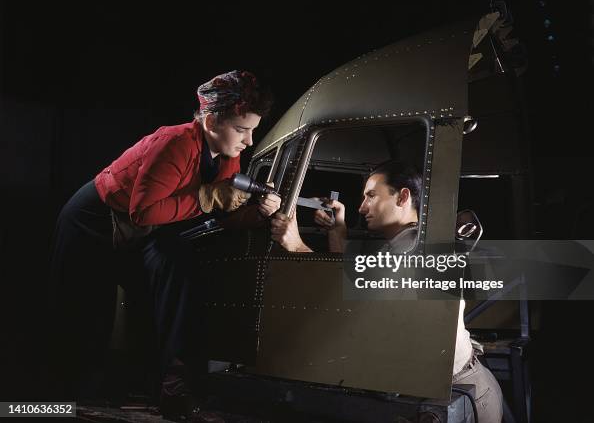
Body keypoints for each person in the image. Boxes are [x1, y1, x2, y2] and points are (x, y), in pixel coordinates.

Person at [48, 70, 281, 408]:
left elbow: (223, 215)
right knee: (86, 317)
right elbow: (142, 212)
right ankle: (65, 405)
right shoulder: (175, 142)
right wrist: (209, 198)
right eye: (242, 130)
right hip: (92, 222)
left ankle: (172, 386)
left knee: (176, 273)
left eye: (252, 131)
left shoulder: (230, 155)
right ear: (212, 121)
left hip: (142, 231)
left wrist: (258, 212)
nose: (247, 141)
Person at [270, 160, 503, 423]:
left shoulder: (416, 247)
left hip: (456, 396)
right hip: (463, 386)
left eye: (371, 196)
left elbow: (352, 291)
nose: (362, 207)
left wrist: (296, 245)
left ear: (403, 196)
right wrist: (338, 229)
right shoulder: (409, 241)